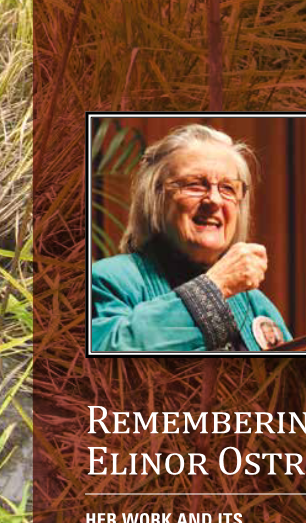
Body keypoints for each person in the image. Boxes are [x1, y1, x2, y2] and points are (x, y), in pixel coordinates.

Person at [91, 124, 293, 354]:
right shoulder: (109, 279)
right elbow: (107, 356)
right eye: (195, 185)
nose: (214, 200)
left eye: (228, 188)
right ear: (154, 198)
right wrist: (215, 287)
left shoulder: (255, 302)